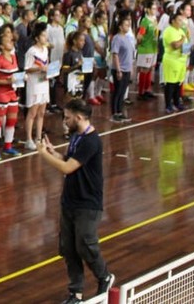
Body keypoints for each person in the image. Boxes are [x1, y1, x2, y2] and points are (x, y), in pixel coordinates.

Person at [38, 98, 114, 304]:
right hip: (69, 201)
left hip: (87, 203)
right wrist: (55, 153)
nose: (65, 121)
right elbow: (68, 161)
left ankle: (104, 275)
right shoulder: (77, 137)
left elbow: (67, 169)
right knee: (69, 249)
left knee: (85, 245)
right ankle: (76, 293)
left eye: (68, 117)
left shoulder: (91, 141)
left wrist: (44, 155)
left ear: (79, 117)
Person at [109, 14, 135, 122]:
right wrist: (118, 70)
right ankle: (114, 113)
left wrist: (131, 68)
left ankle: (120, 111)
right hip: (120, 69)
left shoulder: (127, 38)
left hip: (127, 69)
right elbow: (115, 54)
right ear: (120, 26)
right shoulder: (117, 38)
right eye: (126, 24)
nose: (128, 26)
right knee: (118, 91)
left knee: (123, 91)